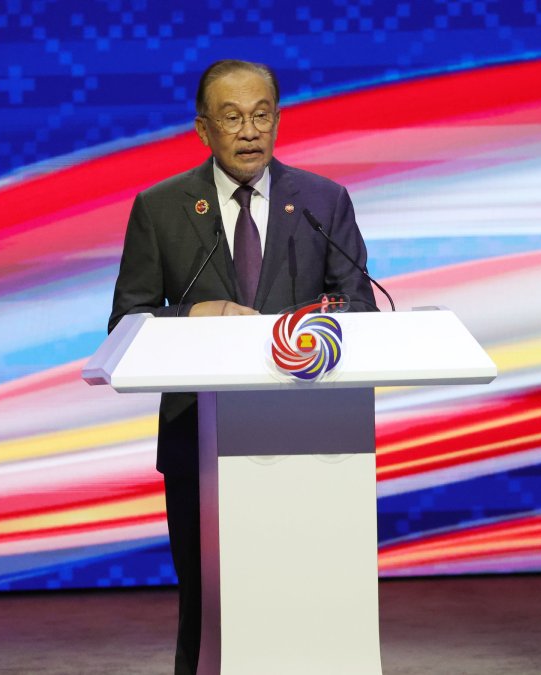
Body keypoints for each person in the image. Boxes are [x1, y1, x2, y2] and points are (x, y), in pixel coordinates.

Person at [108, 59, 376, 675]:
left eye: (262, 116)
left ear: (277, 120)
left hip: (312, 439)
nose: (251, 131)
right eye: (233, 118)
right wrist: (192, 313)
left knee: (309, 601)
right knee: (210, 607)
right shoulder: (162, 208)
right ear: (204, 130)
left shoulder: (322, 202)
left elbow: (358, 306)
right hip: (198, 439)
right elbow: (128, 321)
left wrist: (313, 331)